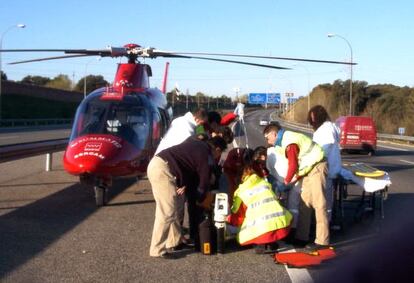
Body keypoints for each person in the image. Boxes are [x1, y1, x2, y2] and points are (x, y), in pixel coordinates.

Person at [147, 136, 227, 258]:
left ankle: (174, 241)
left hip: (161, 166)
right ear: (217, 149)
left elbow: (187, 165)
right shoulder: (205, 154)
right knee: (166, 211)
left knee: (175, 207)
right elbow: (204, 180)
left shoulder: (198, 145)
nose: (218, 157)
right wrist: (200, 199)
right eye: (219, 153)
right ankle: (157, 249)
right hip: (163, 169)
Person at [263, 122, 329, 250]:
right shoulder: (285, 141)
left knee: (319, 204)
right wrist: (291, 180)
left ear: (274, 134)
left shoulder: (289, 143)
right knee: (305, 203)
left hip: (317, 165)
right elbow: (298, 166)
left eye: (268, 138)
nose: (268, 141)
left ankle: (322, 241)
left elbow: (293, 166)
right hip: (309, 168)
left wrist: (286, 181)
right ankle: (302, 237)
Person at [227, 147, 292, 254]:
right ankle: (272, 242)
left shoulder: (241, 191)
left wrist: (228, 219)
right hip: (280, 222)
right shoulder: (265, 184)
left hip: (261, 227)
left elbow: (237, 214)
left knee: (249, 229)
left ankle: (261, 244)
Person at [307, 105, 342, 223]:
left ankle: (326, 225)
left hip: (326, 169)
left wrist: (310, 159)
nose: (312, 120)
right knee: (324, 201)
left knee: (324, 202)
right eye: (311, 118)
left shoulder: (326, 129)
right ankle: (324, 223)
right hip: (327, 168)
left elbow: (323, 150)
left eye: (314, 117)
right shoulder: (325, 128)